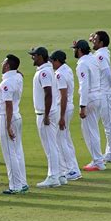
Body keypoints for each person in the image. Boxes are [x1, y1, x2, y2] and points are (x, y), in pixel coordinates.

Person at [29, 47, 63, 188]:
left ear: (41, 57)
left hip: (45, 113)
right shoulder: (46, 70)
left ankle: (53, 176)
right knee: (53, 145)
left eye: (34, 55)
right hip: (48, 112)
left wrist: (47, 115)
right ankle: (60, 175)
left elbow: (48, 93)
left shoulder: (44, 72)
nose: (32, 58)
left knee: (50, 147)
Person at [0, 54, 28, 194]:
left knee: (10, 154)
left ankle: (15, 186)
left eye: (3, 62)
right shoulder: (18, 77)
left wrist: (8, 126)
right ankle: (22, 183)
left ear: (8, 66)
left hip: (7, 117)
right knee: (17, 151)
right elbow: (20, 74)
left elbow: (8, 105)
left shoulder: (6, 83)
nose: (1, 64)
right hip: (17, 115)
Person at [72, 40, 104, 171]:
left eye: (75, 49)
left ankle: (98, 161)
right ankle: (98, 159)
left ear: (79, 50)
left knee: (90, 132)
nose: (74, 51)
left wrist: (82, 106)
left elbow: (84, 85)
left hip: (89, 98)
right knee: (93, 130)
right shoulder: (93, 59)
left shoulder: (82, 64)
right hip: (98, 95)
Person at [49, 50, 82, 180]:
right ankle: (74, 168)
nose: (51, 63)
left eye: (52, 61)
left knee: (61, 140)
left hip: (63, 108)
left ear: (57, 61)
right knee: (66, 139)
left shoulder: (60, 74)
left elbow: (63, 96)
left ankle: (71, 170)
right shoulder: (66, 68)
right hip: (68, 107)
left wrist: (61, 117)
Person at [90, 31, 111, 163]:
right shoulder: (102, 52)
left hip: (106, 93)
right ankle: (110, 151)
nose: (92, 40)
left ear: (101, 43)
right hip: (105, 92)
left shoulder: (101, 56)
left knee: (109, 124)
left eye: (95, 39)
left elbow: (108, 75)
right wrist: (93, 38)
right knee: (108, 124)